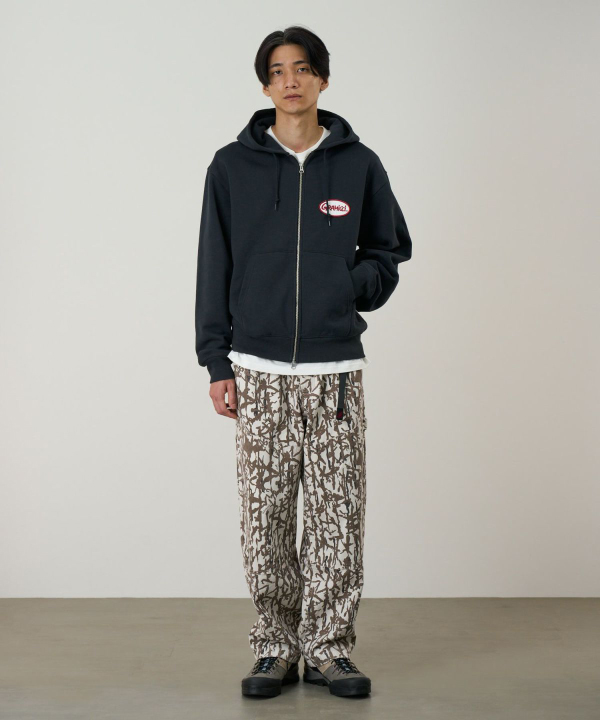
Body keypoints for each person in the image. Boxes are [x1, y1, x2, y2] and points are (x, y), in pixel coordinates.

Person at [195, 25, 412, 699]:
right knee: (264, 519)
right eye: (277, 70)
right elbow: (212, 266)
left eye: (302, 68)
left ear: (322, 78)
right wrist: (215, 361)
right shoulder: (231, 167)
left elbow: (389, 250)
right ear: (265, 85)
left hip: (334, 373)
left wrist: (348, 288)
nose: (290, 80)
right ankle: (274, 646)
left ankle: (329, 649)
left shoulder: (359, 163)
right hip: (256, 370)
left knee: (336, 516)